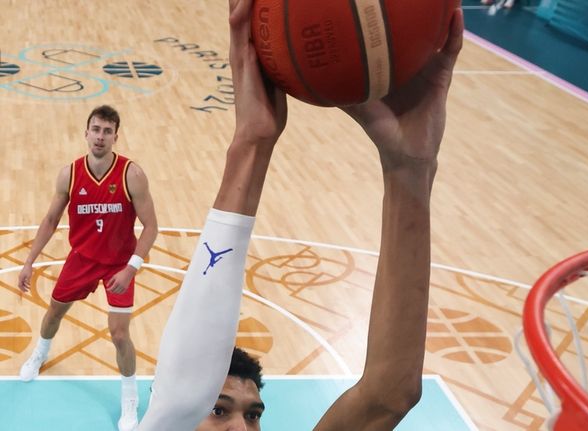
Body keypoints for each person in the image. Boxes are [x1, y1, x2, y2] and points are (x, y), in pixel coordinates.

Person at [137, 0, 463, 429]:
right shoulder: (176, 405)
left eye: (253, 416)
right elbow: (184, 395)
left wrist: (410, 170)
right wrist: (251, 144)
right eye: (219, 410)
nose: (243, 427)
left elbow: (389, 395)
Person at [17, 105, 159, 431]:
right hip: (81, 258)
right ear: (86, 133)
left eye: (107, 131)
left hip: (118, 264)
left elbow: (151, 226)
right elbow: (51, 219)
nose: (100, 136)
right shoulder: (69, 173)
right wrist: (29, 261)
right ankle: (40, 353)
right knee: (54, 311)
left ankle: (129, 399)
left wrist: (131, 269)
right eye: (95, 129)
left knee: (120, 334)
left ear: (115, 137)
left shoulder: (131, 175)